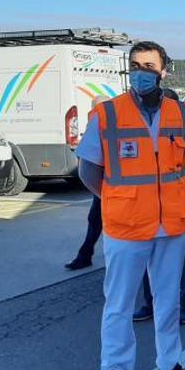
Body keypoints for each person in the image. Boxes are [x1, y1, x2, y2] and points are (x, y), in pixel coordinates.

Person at [76, 41, 185, 370]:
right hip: (126, 226)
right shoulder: (108, 113)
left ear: (164, 71)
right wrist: (118, 198)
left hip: (171, 226)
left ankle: (170, 366)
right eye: (136, 64)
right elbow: (88, 170)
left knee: (168, 302)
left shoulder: (182, 114)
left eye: (149, 66)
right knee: (118, 303)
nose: (141, 72)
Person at [133, 88, 185, 325]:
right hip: (147, 208)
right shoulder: (143, 129)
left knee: (183, 258)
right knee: (148, 257)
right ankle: (150, 303)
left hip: (179, 206)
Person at [64, 95, 108, 271]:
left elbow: (85, 162)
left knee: (97, 219)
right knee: (96, 219)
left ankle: (85, 255)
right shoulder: (103, 120)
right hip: (108, 181)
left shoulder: (98, 120)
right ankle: (85, 254)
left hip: (108, 181)